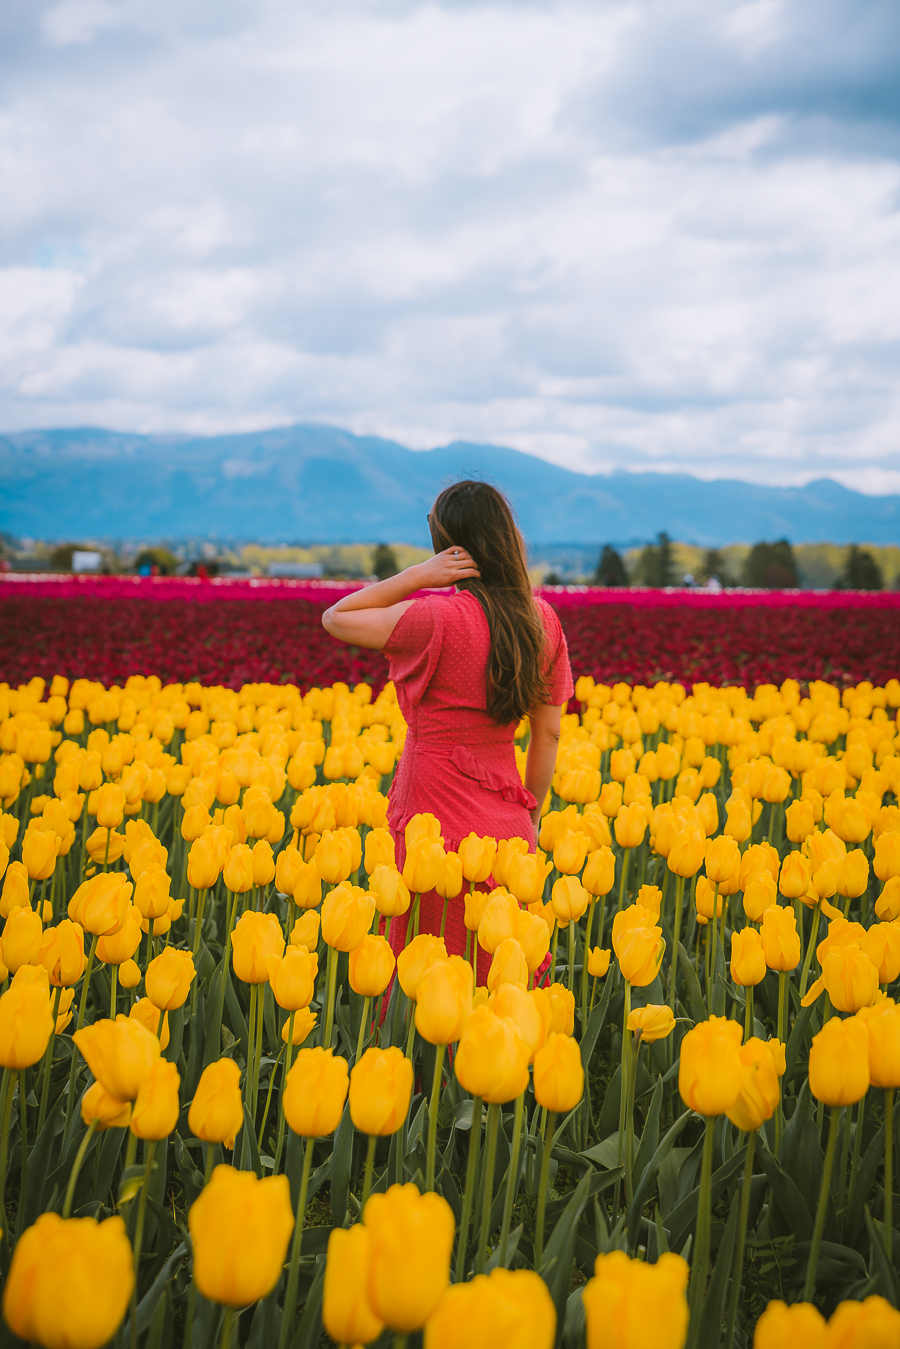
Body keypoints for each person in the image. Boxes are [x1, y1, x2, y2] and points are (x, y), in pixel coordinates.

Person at [321, 480, 573, 979]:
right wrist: (534, 816)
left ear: (447, 546)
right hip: (507, 818)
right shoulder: (542, 621)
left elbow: (337, 617)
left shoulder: (434, 617)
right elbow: (548, 734)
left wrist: (417, 576)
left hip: (431, 815)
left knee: (428, 967)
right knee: (501, 972)